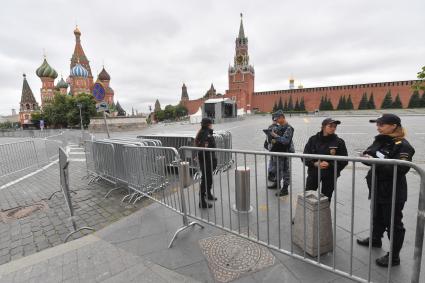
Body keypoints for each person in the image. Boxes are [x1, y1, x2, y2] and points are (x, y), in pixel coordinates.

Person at [356, 114, 415, 267]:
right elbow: (369, 154)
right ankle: (375, 239)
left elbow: (401, 168)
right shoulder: (380, 140)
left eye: (381, 124)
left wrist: (375, 162)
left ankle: (394, 257)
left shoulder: (403, 145)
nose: (378, 127)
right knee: (376, 215)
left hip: (393, 190)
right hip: (376, 186)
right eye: (377, 124)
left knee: (393, 223)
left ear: (394, 125)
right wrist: (365, 157)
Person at [303, 118, 348, 202]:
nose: (333, 128)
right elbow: (305, 156)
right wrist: (314, 163)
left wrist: (330, 165)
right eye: (330, 126)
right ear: (323, 127)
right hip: (314, 173)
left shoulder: (339, 142)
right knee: (308, 195)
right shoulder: (313, 139)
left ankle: (324, 215)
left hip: (330, 175)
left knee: (326, 198)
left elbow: (344, 161)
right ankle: (307, 214)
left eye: (335, 126)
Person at [267, 110, 295, 197]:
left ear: (282, 117)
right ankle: (277, 183)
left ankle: (285, 188)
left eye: (277, 119)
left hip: (285, 152)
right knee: (277, 169)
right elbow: (274, 137)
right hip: (277, 151)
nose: (276, 121)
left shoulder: (289, 128)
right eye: (275, 119)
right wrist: (270, 135)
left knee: (285, 170)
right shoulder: (279, 127)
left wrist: (275, 136)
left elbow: (286, 141)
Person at [195, 117, 218, 209]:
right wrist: (212, 161)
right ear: (209, 124)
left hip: (206, 160)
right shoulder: (206, 134)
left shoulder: (203, 132)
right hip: (206, 160)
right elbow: (205, 150)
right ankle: (202, 202)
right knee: (205, 180)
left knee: (208, 179)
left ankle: (208, 195)